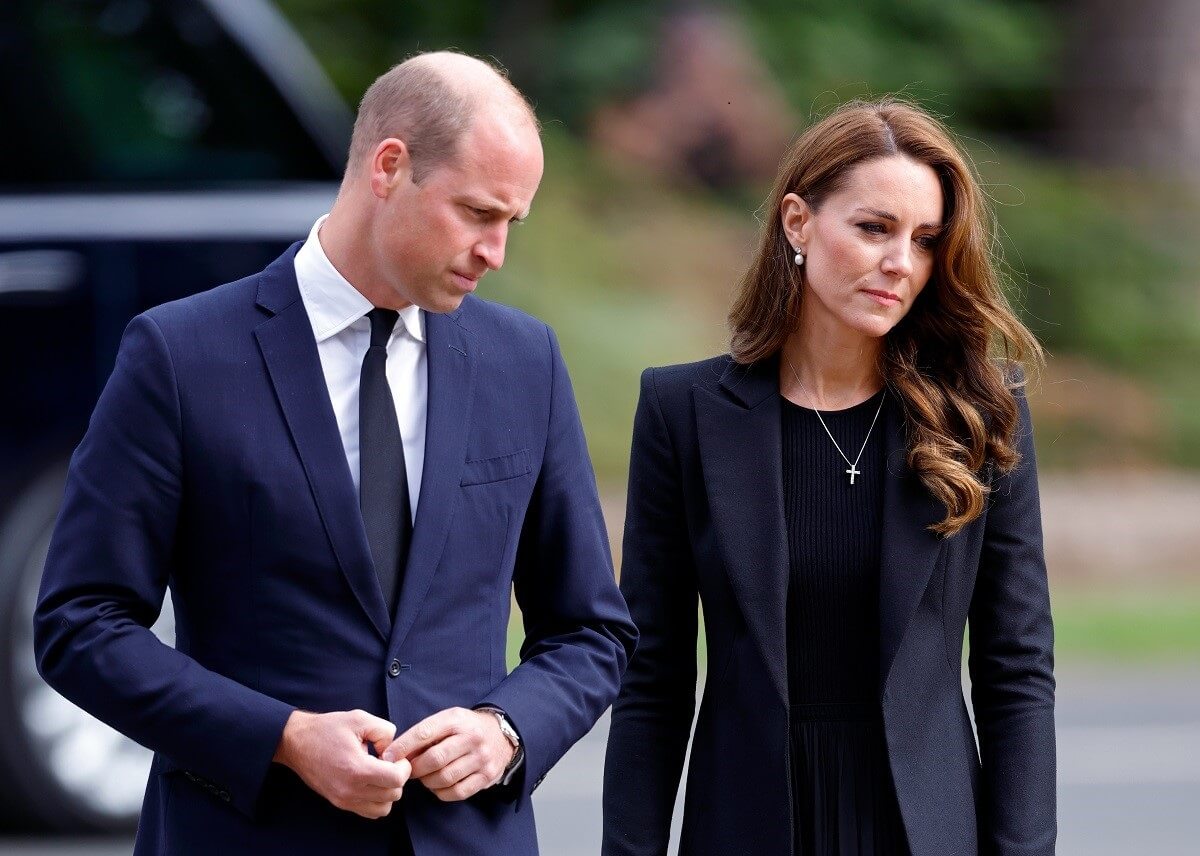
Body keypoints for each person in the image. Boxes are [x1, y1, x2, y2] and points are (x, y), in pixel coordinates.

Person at [34, 51, 636, 856]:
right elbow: (80, 624)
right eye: (476, 213)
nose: (496, 251)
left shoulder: (524, 363)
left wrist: (507, 729)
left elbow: (592, 631)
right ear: (390, 166)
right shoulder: (180, 357)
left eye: (510, 224)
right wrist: (280, 736)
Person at [602, 99, 1055, 856]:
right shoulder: (683, 413)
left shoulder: (981, 414)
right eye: (874, 228)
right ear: (797, 222)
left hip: (926, 831)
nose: (900, 262)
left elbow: (1017, 671)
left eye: (925, 240)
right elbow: (652, 680)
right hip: (746, 828)